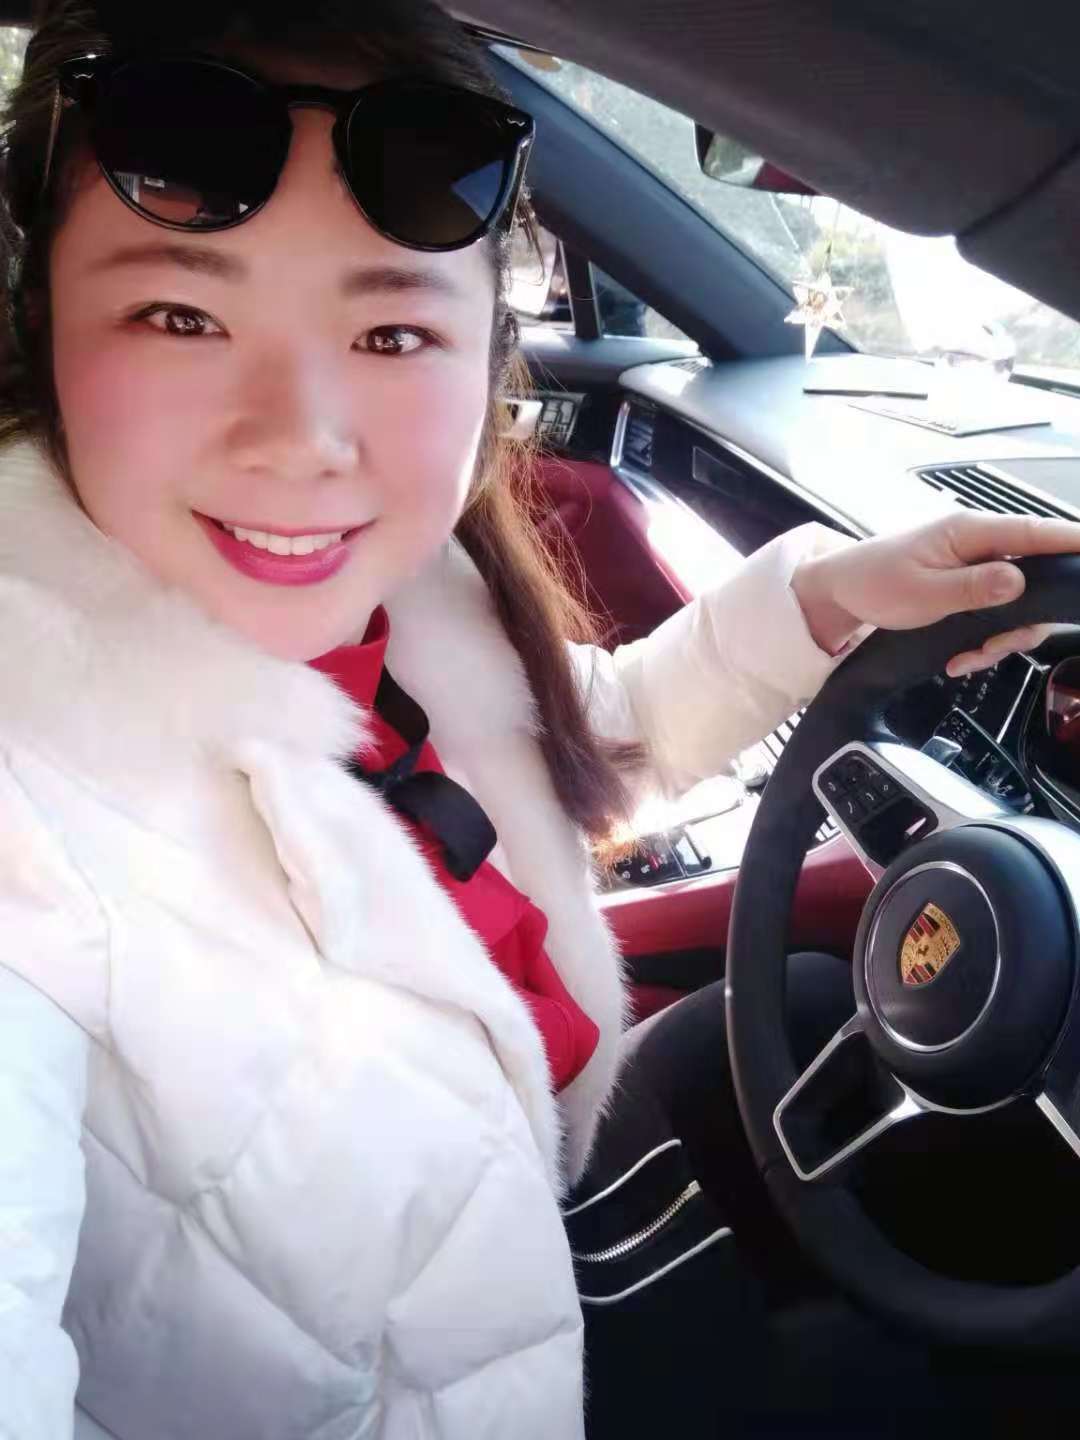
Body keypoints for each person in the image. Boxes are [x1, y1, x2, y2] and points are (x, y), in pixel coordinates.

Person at [0, 3, 1075, 1437]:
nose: (302, 439)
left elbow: (578, 746)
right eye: (182, 316)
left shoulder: (394, 587)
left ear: (485, 348)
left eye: (391, 330)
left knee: (820, 1010)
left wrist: (828, 596)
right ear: (41, 326)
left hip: (542, 1213)